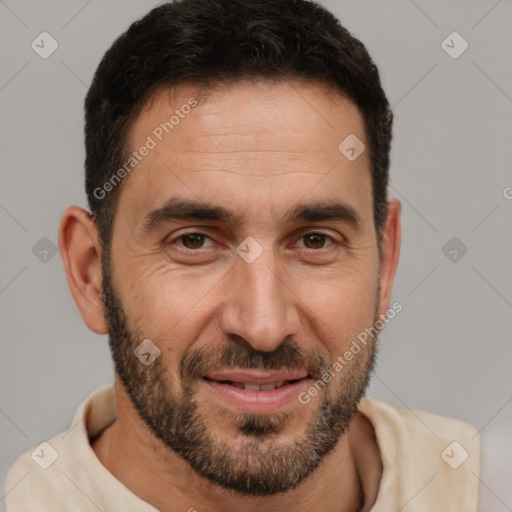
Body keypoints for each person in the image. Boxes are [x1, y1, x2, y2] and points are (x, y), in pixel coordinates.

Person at [5, 0, 480, 510]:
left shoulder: (483, 485)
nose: (263, 325)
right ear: (90, 273)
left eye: (315, 240)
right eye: (193, 241)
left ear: (384, 264)